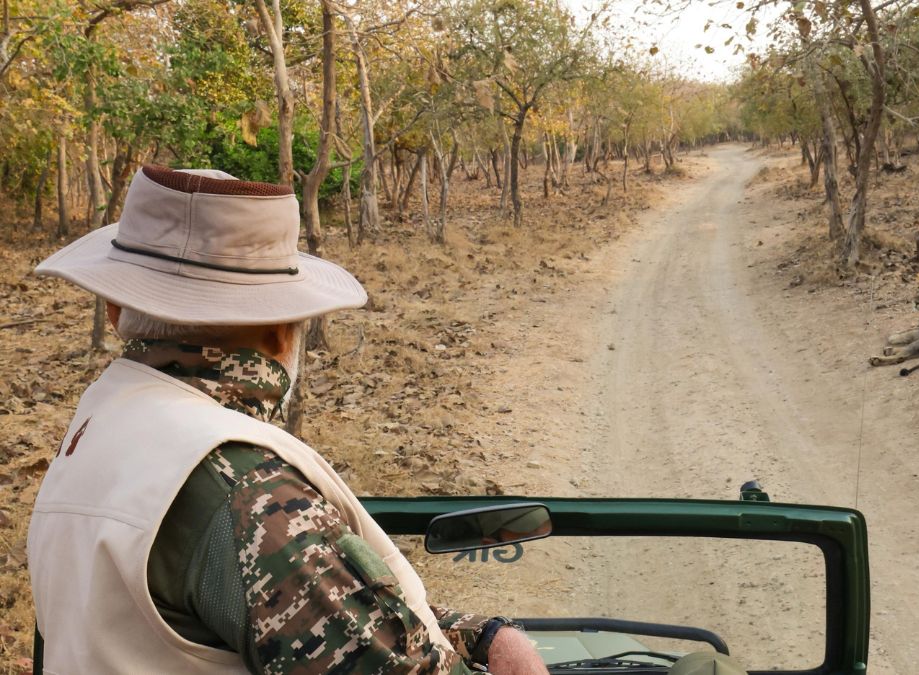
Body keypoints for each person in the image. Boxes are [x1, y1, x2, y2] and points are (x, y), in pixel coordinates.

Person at [28, 165, 548, 675]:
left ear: (116, 312)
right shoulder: (249, 491)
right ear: (282, 332)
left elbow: (304, 614)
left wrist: (480, 636)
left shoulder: (97, 431)